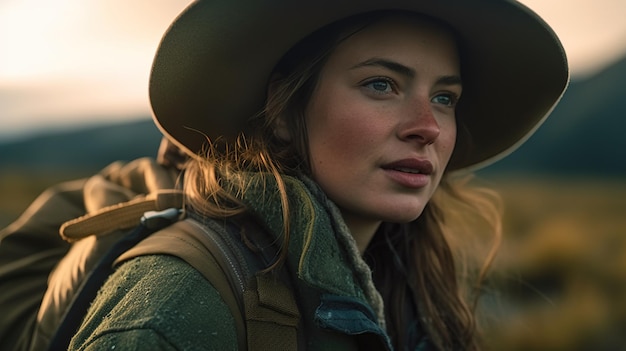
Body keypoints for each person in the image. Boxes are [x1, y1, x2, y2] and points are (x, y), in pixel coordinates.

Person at [9, 0, 568, 350]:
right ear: (282, 111)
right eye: (381, 84)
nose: (428, 126)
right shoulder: (177, 303)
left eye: (445, 97)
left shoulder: (403, 278)